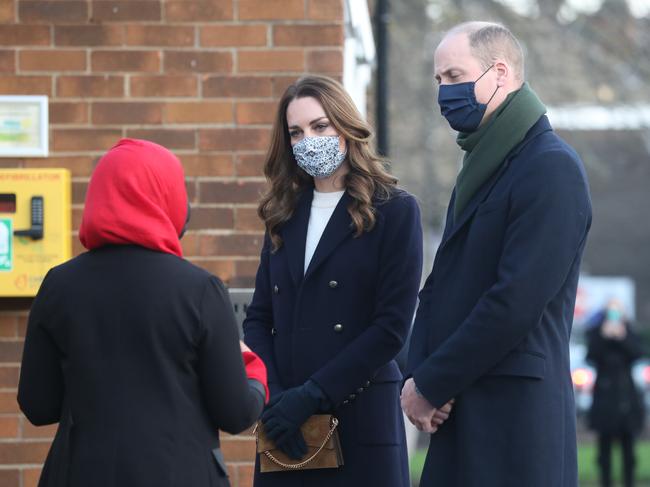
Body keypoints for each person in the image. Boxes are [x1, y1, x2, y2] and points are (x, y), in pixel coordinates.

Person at [402, 21, 592, 487]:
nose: (444, 92)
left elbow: (515, 302)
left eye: (453, 76)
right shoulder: (483, 166)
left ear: (500, 73)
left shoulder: (550, 167)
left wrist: (431, 384)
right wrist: (418, 372)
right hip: (466, 413)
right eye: (438, 81)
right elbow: (443, 285)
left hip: (516, 427)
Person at [17, 138, 268, 487]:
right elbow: (237, 412)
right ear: (167, 200)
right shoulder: (199, 290)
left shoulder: (59, 286)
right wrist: (255, 373)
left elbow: (38, 405)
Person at [243, 75, 425, 487]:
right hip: (288, 426)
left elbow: (391, 328)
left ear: (345, 127)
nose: (309, 139)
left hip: (360, 421)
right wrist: (277, 396)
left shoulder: (394, 211)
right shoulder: (283, 214)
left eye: (320, 126)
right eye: (296, 132)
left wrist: (313, 395)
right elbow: (258, 317)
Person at [587, 300, 646, 487]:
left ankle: (629, 482)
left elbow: (638, 354)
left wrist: (623, 337)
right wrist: (604, 336)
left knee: (629, 449)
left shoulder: (628, 331)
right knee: (604, 450)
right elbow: (591, 356)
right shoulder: (597, 332)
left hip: (626, 397)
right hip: (605, 397)